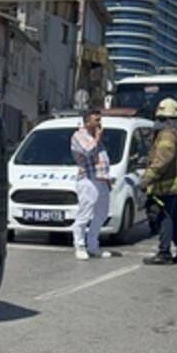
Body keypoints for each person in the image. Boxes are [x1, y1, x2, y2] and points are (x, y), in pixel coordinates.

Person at [141, 98, 177, 265]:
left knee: (164, 217)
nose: (156, 123)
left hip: (169, 184)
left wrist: (147, 179)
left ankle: (164, 253)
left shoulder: (167, 134)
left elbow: (162, 160)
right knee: (174, 218)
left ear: (164, 119)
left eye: (159, 119)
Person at [70, 109, 114, 260]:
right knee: (85, 213)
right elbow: (88, 151)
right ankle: (79, 244)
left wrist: (107, 180)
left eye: (99, 119)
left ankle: (93, 245)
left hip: (101, 179)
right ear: (87, 121)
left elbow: (102, 159)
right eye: (96, 120)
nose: (99, 123)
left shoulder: (96, 137)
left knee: (102, 213)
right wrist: (97, 138)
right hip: (88, 179)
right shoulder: (79, 135)